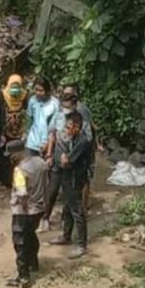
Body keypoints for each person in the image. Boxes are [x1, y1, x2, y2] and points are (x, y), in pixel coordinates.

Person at [43, 91, 92, 232]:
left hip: (73, 168)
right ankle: (48, 219)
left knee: (71, 200)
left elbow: (86, 143)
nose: (65, 110)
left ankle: (71, 229)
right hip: (60, 161)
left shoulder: (81, 123)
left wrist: (70, 159)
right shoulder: (58, 116)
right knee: (53, 191)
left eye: (68, 107)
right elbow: (52, 135)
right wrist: (49, 155)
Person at [48, 112, 93, 259]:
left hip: (75, 179)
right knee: (67, 208)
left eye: (69, 127)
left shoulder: (83, 142)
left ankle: (81, 245)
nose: (66, 130)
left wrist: (63, 158)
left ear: (77, 127)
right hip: (67, 178)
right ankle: (66, 236)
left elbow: (66, 161)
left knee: (77, 211)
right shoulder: (72, 139)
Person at [4, 139, 46, 288]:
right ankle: (34, 263)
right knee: (31, 235)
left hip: (24, 211)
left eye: (12, 155)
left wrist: (21, 211)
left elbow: (22, 193)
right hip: (39, 208)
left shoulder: (20, 171)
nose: (10, 158)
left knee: (20, 242)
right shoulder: (40, 162)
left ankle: (23, 277)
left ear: (18, 153)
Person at [61, 84, 99, 212]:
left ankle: (82, 207)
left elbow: (89, 131)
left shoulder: (82, 111)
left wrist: (95, 144)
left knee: (84, 177)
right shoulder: (65, 112)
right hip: (74, 146)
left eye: (69, 95)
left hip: (84, 149)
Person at [0, 74, 29, 186]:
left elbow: (28, 115)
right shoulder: (2, 96)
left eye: (17, 86)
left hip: (20, 133)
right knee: (5, 158)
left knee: (19, 159)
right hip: (5, 134)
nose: (15, 90)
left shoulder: (25, 97)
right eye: (12, 86)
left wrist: (26, 130)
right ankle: (6, 181)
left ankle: (18, 182)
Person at [25, 76, 59, 156]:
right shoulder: (32, 100)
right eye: (36, 90)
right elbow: (29, 119)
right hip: (32, 142)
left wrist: (48, 144)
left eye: (41, 90)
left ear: (47, 91)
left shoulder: (54, 104)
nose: (38, 93)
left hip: (47, 143)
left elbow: (55, 127)